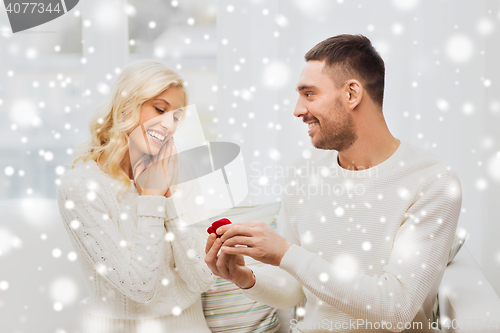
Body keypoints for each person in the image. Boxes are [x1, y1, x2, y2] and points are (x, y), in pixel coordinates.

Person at [205, 34, 462, 332]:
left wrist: (285, 252)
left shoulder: (432, 182)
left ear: (352, 94)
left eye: (309, 94)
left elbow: (396, 307)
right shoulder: (303, 173)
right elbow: (293, 288)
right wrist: (244, 277)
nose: (298, 110)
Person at [57, 60, 216, 333]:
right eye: (159, 109)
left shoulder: (181, 170)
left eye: (176, 116)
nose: (168, 125)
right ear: (127, 106)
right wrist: (152, 198)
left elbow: (203, 279)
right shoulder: (80, 187)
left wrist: (171, 198)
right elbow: (141, 288)